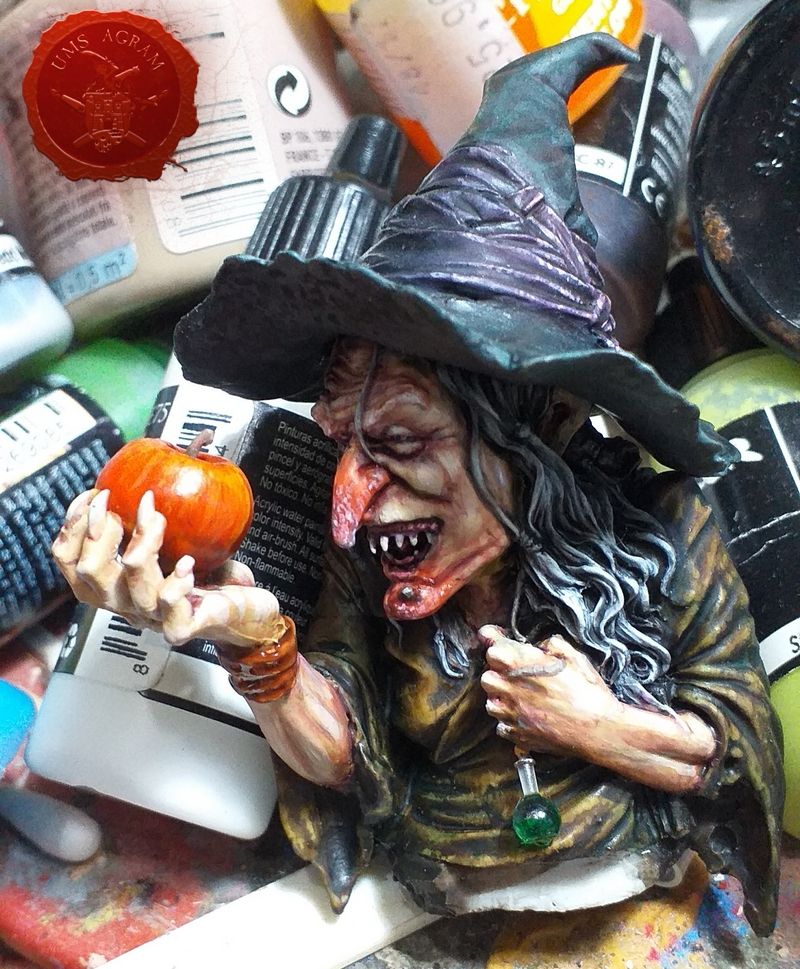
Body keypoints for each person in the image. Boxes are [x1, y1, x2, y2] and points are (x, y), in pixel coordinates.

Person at [54, 35, 783, 936]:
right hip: (429, 893)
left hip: (633, 886)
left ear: (547, 422)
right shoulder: (366, 563)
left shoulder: (668, 526)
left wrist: (599, 725)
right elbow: (344, 754)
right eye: (343, 443)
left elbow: (741, 744)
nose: (349, 503)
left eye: (401, 440)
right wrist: (257, 644)